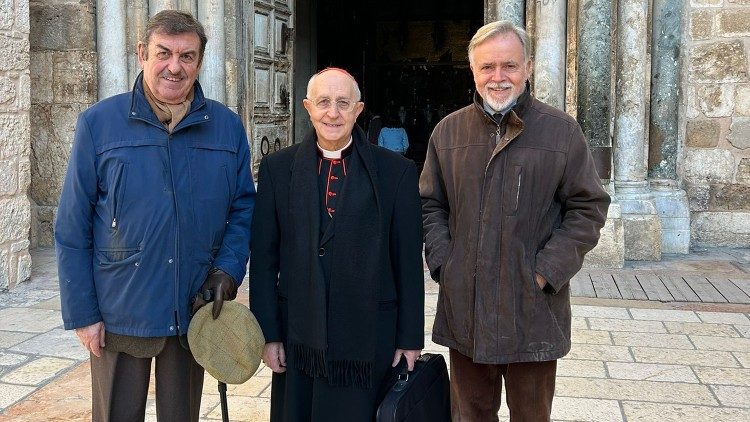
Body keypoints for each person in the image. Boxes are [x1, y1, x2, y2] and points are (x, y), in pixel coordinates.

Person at [55, 10, 255, 421]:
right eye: (164, 53)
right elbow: (72, 226)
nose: (174, 66)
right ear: (142, 53)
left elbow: (242, 209)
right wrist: (84, 314)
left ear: (200, 62)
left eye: (187, 56)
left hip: (194, 304)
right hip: (120, 308)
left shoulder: (227, 127)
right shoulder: (98, 124)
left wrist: (228, 269)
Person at [420, 21, 610, 421]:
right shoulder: (447, 132)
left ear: (528, 68)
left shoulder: (562, 132)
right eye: (487, 67)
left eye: (509, 65)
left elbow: (588, 207)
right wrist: (445, 263)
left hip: (532, 312)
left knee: (531, 416)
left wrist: (544, 272)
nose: (498, 77)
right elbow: (430, 205)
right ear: (473, 71)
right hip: (466, 309)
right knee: (469, 414)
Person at [249, 67, 424, 421]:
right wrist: (268, 335)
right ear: (307, 107)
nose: (333, 112)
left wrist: (409, 337)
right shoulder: (277, 169)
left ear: (358, 110)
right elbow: (265, 260)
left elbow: (407, 262)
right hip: (299, 335)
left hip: (370, 338)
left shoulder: (397, 172)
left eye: (343, 103)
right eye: (324, 102)